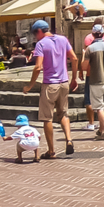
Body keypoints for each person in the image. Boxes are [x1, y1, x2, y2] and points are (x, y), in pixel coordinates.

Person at [20, 19, 77, 157]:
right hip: (64, 82)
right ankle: (69, 140)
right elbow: (74, 58)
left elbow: (38, 67)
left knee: (47, 118)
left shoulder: (41, 44)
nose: (35, 37)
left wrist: (30, 85)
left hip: (50, 84)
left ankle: (51, 151)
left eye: (35, 34)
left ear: (39, 31)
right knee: (63, 114)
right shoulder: (63, 39)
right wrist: (74, 78)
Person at [78, 23, 104, 140]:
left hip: (95, 81)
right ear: (103, 34)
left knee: (99, 108)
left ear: (93, 35)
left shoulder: (90, 49)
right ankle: (101, 131)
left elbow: (84, 67)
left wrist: (84, 56)